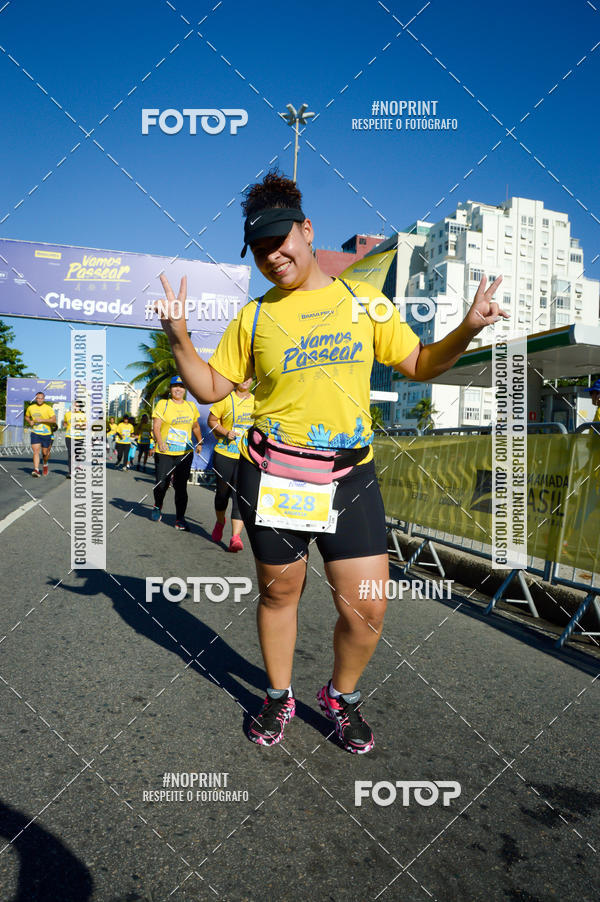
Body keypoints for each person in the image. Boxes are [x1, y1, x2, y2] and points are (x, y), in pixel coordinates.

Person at [155, 171, 507, 753]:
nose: (273, 256)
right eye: (260, 249)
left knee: (368, 607)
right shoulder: (254, 316)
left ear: (307, 229)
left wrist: (468, 327)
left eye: (281, 240)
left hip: (349, 477)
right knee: (279, 595)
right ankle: (276, 695)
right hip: (274, 474)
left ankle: (339, 696)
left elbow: (419, 363)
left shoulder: (364, 302)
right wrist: (179, 337)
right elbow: (213, 388)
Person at [208, 379, 255, 552]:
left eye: (249, 377)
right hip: (224, 453)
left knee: (239, 495)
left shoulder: (257, 402)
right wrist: (226, 432)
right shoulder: (225, 399)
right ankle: (220, 521)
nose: (245, 381)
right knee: (222, 494)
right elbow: (211, 421)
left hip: (246, 456)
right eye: (242, 377)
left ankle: (235, 537)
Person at [151, 376, 203, 530]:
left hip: (184, 452)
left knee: (181, 487)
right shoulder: (163, 404)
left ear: (185, 389)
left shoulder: (191, 406)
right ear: (170, 389)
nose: (178, 389)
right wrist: (160, 442)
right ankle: (157, 505)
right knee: (161, 484)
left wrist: (199, 441)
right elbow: (156, 427)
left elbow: (195, 426)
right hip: (165, 452)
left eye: (181, 386)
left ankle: (180, 518)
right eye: (175, 386)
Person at [25, 391, 56, 477]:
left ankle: (45, 464)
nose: (39, 400)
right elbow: (27, 416)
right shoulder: (31, 407)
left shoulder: (48, 408)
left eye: (41, 398)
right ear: (36, 398)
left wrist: (42, 420)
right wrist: (29, 421)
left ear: (44, 399)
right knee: (36, 451)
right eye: (38, 398)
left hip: (46, 433)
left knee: (45, 453)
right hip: (35, 433)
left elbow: (54, 420)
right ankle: (36, 469)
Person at [62, 407, 86, 478]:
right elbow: (65, 423)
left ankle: (78, 464)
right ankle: (71, 472)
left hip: (79, 437)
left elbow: (86, 425)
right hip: (69, 436)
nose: (76, 408)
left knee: (77, 453)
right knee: (71, 453)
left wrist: (80, 426)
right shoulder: (67, 414)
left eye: (77, 406)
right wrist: (67, 426)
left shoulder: (82, 415)